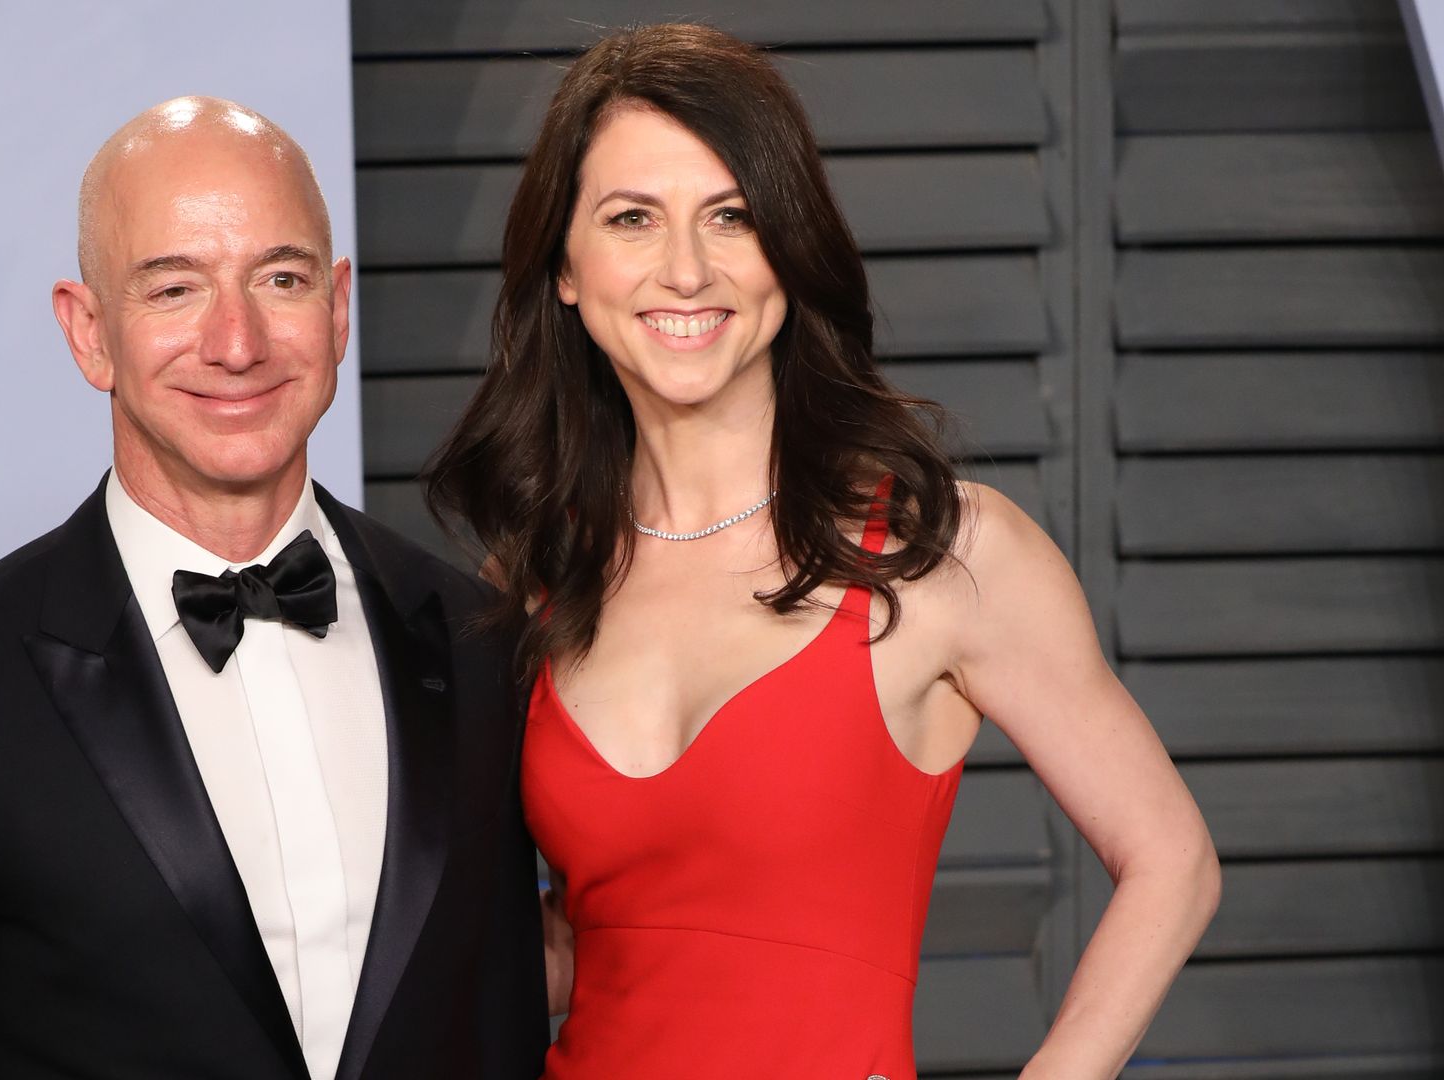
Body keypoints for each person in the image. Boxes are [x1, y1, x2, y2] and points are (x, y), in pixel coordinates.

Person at [425, 24, 1221, 1080]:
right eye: (631, 218)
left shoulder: (946, 555)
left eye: (733, 216)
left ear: (790, 252)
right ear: (566, 268)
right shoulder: (535, 581)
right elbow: (582, 954)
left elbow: (1173, 861)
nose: (685, 270)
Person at [0, 97, 549, 1080]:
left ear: (338, 310)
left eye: (279, 279)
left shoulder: (480, 641)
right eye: (174, 289)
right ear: (89, 333)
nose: (236, 341)